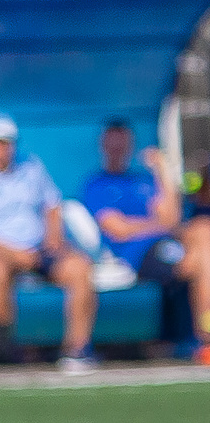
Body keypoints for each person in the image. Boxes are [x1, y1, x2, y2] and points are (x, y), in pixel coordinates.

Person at [0, 114, 95, 372]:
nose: (1, 149)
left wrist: (53, 237)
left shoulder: (31, 168)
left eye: (6, 143)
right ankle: (4, 349)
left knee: (79, 268)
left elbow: (52, 205)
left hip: (37, 249)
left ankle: (77, 348)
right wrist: (16, 254)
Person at [84, 118, 209, 361]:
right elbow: (118, 229)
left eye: (123, 143)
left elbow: (171, 216)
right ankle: (205, 337)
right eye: (114, 144)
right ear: (104, 145)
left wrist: (161, 170)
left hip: (166, 242)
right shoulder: (97, 184)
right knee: (198, 263)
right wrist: (158, 225)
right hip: (138, 252)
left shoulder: (142, 181)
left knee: (204, 231)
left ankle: (200, 335)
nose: (119, 149)